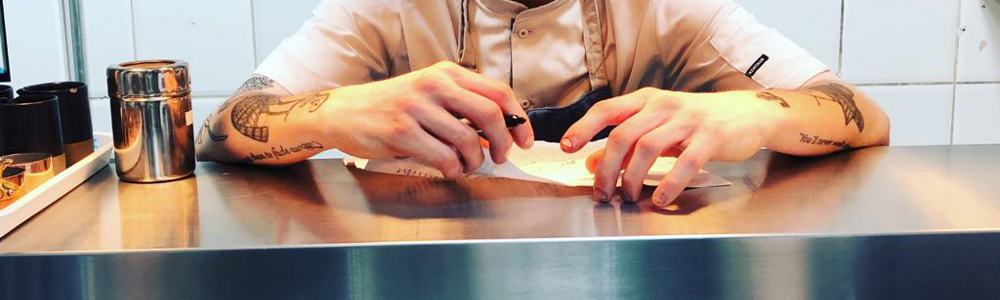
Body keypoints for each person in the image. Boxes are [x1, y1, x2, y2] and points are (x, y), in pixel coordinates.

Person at [196, 0, 890, 208]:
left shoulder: (668, 8)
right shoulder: (387, 8)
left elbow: (857, 112)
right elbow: (226, 127)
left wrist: (753, 115)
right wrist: (333, 113)